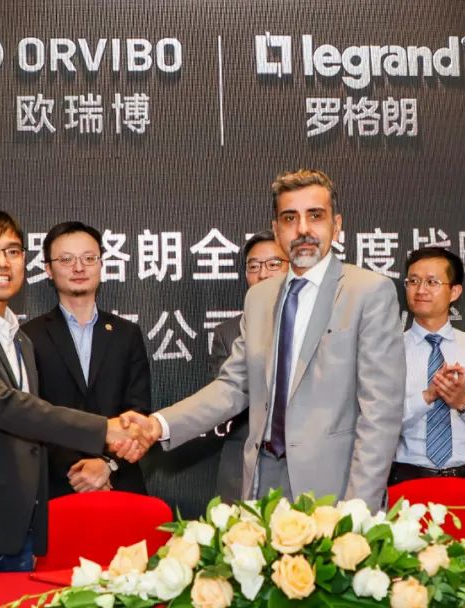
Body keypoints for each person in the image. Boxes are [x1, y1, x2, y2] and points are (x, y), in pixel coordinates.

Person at [127, 168, 406, 509]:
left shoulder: (368, 292)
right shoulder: (259, 298)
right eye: (290, 218)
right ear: (276, 230)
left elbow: (380, 412)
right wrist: (158, 425)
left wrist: (359, 506)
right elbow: (234, 386)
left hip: (335, 488)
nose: (302, 229)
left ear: (336, 225)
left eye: (315, 216)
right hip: (261, 481)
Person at [0, 209, 149, 575]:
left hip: (15, 535)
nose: (2, 262)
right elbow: (7, 407)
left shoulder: (18, 338)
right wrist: (106, 429)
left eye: (13, 251)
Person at [22, 222, 152, 498]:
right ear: (48, 269)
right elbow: (30, 414)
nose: (79, 268)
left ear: (101, 264)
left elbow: (138, 411)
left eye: (88, 258)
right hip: (57, 487)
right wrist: (78, 471)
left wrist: (106, 465)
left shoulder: (126, 333)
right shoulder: (28, 336)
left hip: (120, 482)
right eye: (66, 260)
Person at [389, 247, 465, 484]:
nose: (420, 290)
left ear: (454, 291)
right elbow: (379, 422)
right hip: (409, 479)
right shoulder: (389, 351)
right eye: (413, 281)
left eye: (432, 282)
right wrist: (427, 397)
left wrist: (464, 403)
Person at [207, 230, 287, 500]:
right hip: (244, 464)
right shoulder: (228, 333)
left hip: (306, 464)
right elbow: (229, 396)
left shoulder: (320, 324)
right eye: (254, 266)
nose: (263, 274)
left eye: (273, 264)